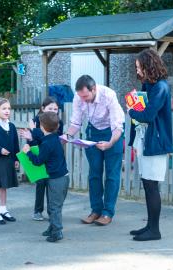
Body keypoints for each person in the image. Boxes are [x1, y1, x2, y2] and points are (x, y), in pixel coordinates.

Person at [61, 75, 125, 226]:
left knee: (112, 175)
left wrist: (110, 143)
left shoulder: (109, 95)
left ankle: (108, 212)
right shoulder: (79, 97)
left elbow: (118, 126)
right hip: (92, 133)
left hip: (112, 134)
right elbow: (76, 123)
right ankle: (96, 210)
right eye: (81, 96)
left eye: (86, 96)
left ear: (94, 89)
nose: (83, 99)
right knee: (94, 174)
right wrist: (67, 136)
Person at [128, 48, 172, 241]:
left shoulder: (161, 87)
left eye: (139, 67)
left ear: (148, 66)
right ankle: (149, 225)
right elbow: (144, 108)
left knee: (152, 186)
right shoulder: (150, 85)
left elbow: (147, 115)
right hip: (147, 139)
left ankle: (155, 231)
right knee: (147, 184)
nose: (137, 71)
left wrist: (130, 111)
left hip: (156, 142)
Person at [22, 111, 69, 242]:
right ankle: (52, 227)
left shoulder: (47, 144)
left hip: (56, 180)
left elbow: (38, 161)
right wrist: (31, 135)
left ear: (42, 126)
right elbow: (40, 136)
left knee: (54, 207)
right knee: (54, 205)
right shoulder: (54, 138)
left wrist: (27, 152)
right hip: (61, 178)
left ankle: (57, 232)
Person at [19, 97, 64, 221]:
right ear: (43, 109)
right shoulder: (35, 121)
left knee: (51, 184)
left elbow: (51, 138)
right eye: (50, 108)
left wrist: (33, 133)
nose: (53, 111)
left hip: (50, 157)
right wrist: (32, 136)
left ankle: (51, 212)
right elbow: (33, 141)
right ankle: (38, 211)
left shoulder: (57, 122)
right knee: (40, 183)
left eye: (56, 109)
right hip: (38, 155)